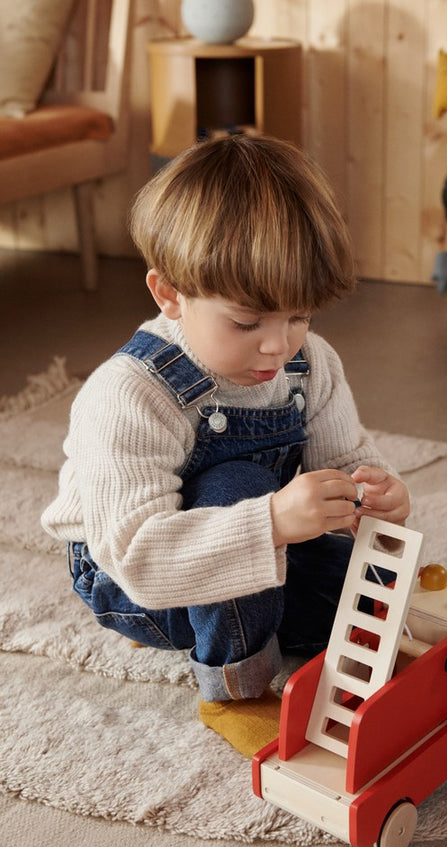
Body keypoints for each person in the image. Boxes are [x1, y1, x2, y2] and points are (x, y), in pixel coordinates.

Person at [41, 134, 410, 758]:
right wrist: (269, 520)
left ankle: (265, 611)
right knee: (239, 485)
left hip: (248, 551)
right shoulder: (129, 394)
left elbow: (342, 460)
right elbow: (135, 554)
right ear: (169, 296)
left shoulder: (308, 364)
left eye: (300, 316)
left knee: (365, 596)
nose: (279, 345)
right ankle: (235, 686)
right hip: (131, 577)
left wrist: (374, 489)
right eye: (247, 322)